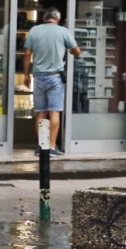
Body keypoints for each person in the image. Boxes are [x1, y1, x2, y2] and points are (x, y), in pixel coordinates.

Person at [23, 8, 80, 156]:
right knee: (54, 112)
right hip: (55, 77)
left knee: (41, 113)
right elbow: (77, 51)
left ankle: (42, 147)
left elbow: (27, 53)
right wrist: (70, 51)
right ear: (58, 19)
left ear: (44, 19)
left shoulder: (34, 31)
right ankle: (52, 146)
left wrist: (26, 75)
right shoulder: (63, 31)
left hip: (39, 77)